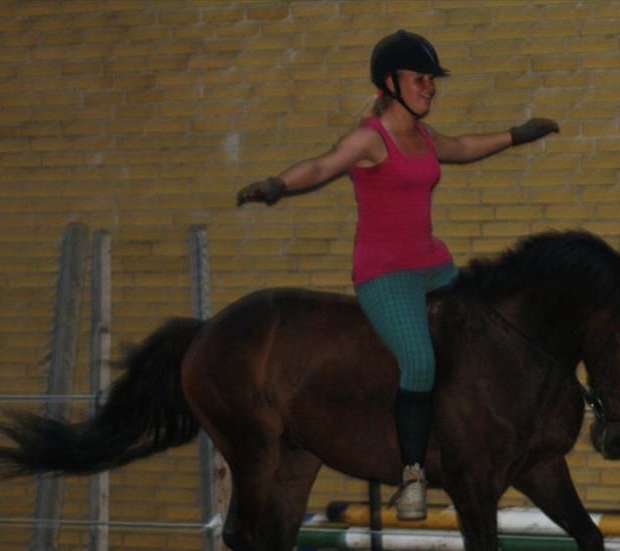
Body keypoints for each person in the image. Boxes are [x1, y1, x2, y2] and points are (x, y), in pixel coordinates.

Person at [237, 30, 558, 520]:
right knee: (420, 364)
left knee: (485, 339)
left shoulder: (424, 136)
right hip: (386, 276)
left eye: (432, 80)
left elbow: (464, 146)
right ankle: (412, 474)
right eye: (421, 79)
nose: (430, 87)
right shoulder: (370, 138)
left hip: (435, 264)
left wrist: (517, 135)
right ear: (391, 83)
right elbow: (324, 165)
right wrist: (278, 185)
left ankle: (470, 442)